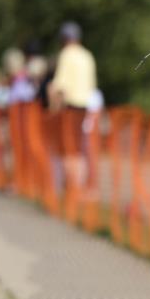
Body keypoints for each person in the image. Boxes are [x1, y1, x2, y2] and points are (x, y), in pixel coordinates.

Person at [49, 22, 98, 190]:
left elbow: (59, 85)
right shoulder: (87, 56)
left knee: (68, 148)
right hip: (85, 107)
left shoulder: (66, 54)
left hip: (69, 107)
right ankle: (78, 186)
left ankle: (71, 187)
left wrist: (53, 106)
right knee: (78, 148)